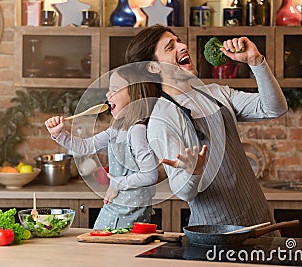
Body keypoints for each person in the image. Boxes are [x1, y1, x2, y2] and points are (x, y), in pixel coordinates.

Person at [124, 25, 288, 227]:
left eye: (179, 40)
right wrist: (193, 171)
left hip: (260, 220)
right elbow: (183, 192)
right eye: (170, 46)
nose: (183, 46)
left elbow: (274, 108)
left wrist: (256, 62)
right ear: (153, 67)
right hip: (217, 233)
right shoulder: (162, 120)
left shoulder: (215, 93)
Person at [44, 67, 161, 229]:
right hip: (117, 205)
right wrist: (60, 134)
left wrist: (117, 184)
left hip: (130, 211)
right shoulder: (117, 129)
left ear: (136, 97)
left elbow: (150, 175)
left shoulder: (137, 131)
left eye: (115, 89)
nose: (108, 94)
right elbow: (86, 146)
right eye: (108, 90)